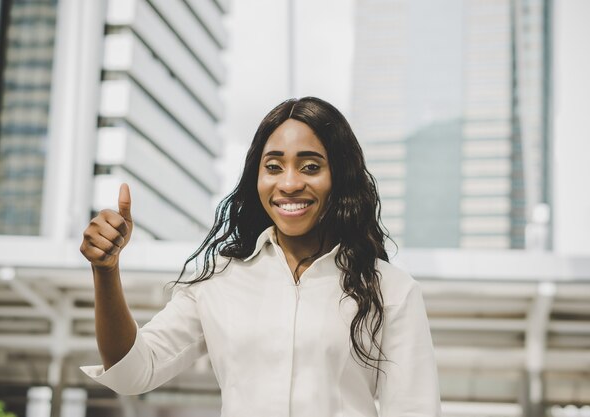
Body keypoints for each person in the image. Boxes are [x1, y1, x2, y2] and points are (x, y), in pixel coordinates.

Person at [80, 97, 441, 416]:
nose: (289, 184)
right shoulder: (220, 280)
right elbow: (132, 372)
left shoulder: (392, 290)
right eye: (273, 167)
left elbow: (413, 409)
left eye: (311, 166)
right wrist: (106, 270)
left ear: (340, 177)